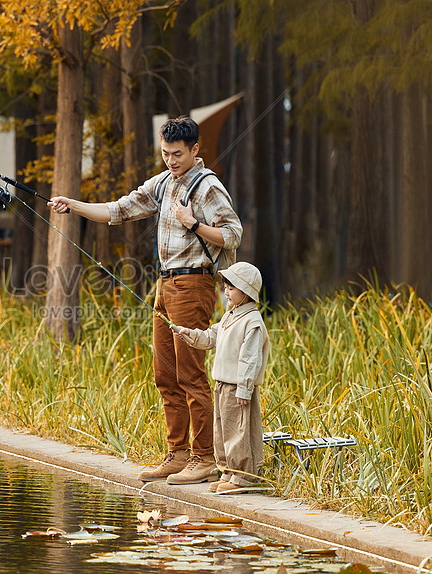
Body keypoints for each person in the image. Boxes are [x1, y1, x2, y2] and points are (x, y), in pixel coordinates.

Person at [48, 116, 242, 485]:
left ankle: (203, 459)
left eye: (178, 154)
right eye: (166, 153)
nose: (171, 160)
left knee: (191, 374)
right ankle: (178, 454)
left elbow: (233, 235)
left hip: (193, 285)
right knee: (165, 375)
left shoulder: (208, 187)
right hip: (164, 286)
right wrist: (73, 205)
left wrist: (193, 223)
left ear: (195, 150)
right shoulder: (163, 183)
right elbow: (119, 210)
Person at [173, 261, 270, 494]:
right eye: (225, 286)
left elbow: (250, 359)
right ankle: (227, 472)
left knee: (238, 431)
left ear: (246, 291)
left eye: (231, 287)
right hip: (222, 384)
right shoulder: (229, 316)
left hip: (238, 387)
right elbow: (211, 337)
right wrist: (189, 335)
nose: (226, 291)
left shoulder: (252, 322)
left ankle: (243, 477)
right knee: (222, 431)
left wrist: (244, 389)